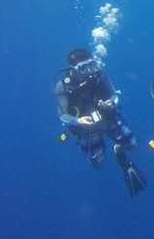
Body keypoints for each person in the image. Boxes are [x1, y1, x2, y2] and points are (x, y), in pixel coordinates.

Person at [54, 49, 147, 197]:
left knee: (133, 145)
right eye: (83, 68)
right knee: (97, 165)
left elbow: (115, 95)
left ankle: (120, 154)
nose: (88, 71)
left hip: (107, 118)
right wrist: (77, 121)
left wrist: (110, 104)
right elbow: (62, 115)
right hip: (85, 128)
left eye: (91, 65)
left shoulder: (99, 74)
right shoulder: (62, 86)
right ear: (72, 69)